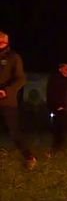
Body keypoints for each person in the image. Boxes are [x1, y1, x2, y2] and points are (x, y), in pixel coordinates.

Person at [0, 31, 36, 169]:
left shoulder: (14, 57)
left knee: (13, 131)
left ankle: (29, 157)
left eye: (2, 41)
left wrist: (6, 91)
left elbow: (21, 79)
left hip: (7, 101)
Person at [46, 62, 67, 153]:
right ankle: (55, 148)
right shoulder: (55, 79)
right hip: (58, 108)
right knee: (58, 129)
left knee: (62, 129)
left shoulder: (65, 80)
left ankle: (60, 147)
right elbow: (52, 93)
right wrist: (58, 105)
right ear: (60, 69)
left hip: (64, 108)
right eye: (66, 69)